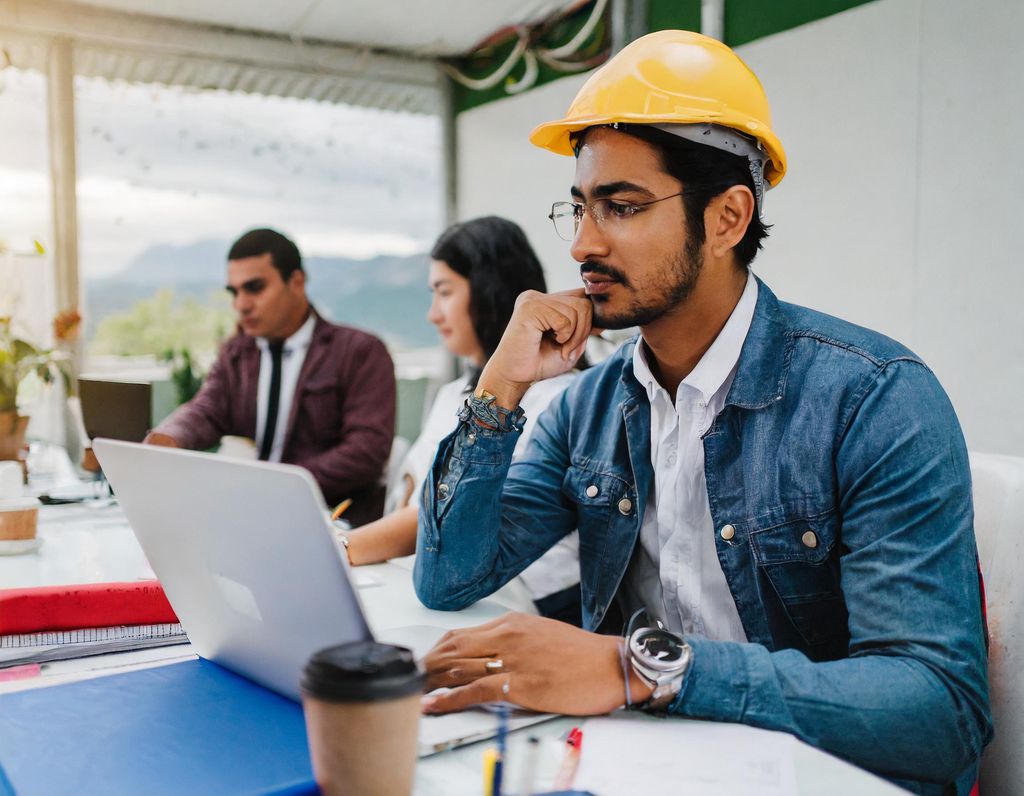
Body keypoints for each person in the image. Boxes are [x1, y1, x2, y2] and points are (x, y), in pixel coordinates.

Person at [412, 31, 991, 795]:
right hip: (646, 765)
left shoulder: (874, 398)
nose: (582, 244)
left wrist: (640, 668)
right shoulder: (589, 406)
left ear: (727, 219)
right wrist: (497, 389)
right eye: (578, 208)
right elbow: (448, 576)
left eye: (621, 207)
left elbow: (939, 713)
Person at [345, 216, 582, 623]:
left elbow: (455, 517)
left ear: (490, 289)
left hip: (522, 605)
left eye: (444, 292)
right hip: (435, 593)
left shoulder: (561, 398)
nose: (433, 314)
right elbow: (416, 499)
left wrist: (341, 548)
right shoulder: (451, 394)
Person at [146, 228, 395, 527]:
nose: (241, 304)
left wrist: (277, 485)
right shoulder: (237, 352)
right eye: (234, 292)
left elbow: (366, 453)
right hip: (253, 518)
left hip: (334, 525)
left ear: (297, 282)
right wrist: (169, 437)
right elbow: (207, 409)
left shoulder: (360, 352)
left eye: (255, 288)